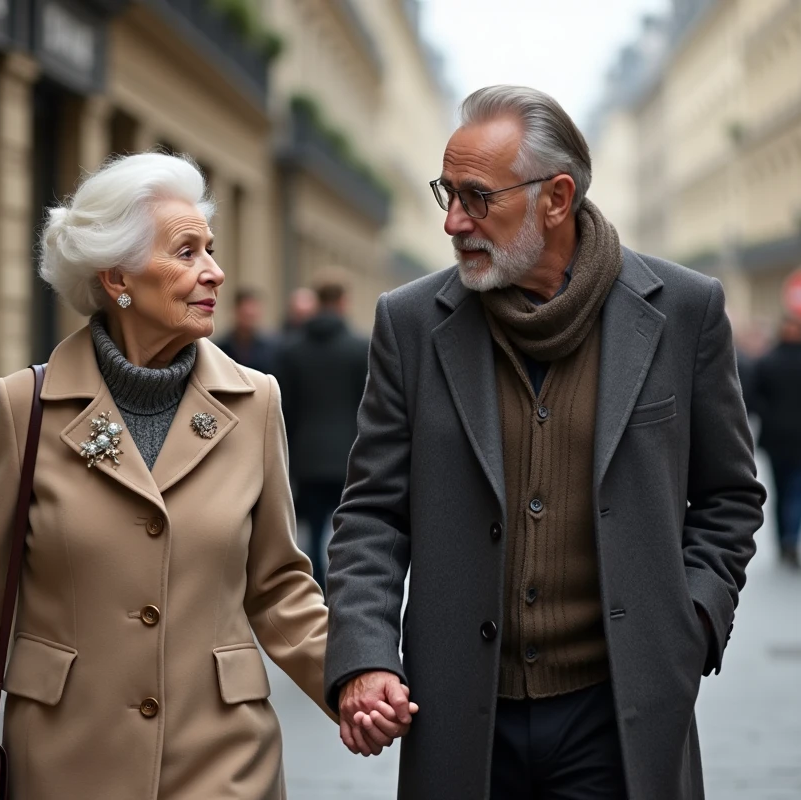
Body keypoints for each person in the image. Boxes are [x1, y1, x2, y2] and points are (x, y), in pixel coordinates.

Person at [0, 153, 408, 800]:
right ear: (117, 276)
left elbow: (278, 587)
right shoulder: (24, 407)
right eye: (187, 252)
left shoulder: (256, 401)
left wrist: (354, 678)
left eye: (211, 250)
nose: (214, 271)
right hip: (63, 762)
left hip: (224, 763)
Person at [324, 85, 765, 800]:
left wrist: (691, 625)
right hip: (461, 715)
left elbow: (729, 497)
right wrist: (365, 655)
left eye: (476, 197)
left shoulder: (686, 310)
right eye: (446, 193)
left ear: (556, 198)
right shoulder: (410, 322)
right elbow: (372, 514)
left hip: (618, 714)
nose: (452, 221)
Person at [274, 273, 369, 591]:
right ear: (343, 301)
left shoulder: (292, 349)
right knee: (347, 527)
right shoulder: (359, 348)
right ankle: (344, 586)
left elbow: (286, 407)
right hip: (348, 454)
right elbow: (367, 405)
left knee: (312, 530)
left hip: (308, 455)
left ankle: (315, 590)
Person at [751, 317, 801, 569]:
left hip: (776, 436)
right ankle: (793, 541)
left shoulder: (767, 361)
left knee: (780, 492)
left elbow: (752, 398)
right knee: (798, 492)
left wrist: (768, 416)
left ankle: (783, 542)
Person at [214, 287, 277, 374]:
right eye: (245, 313)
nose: (249, 314)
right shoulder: (220, 348)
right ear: (236, 311)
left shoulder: (271, 349)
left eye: (253, 312)